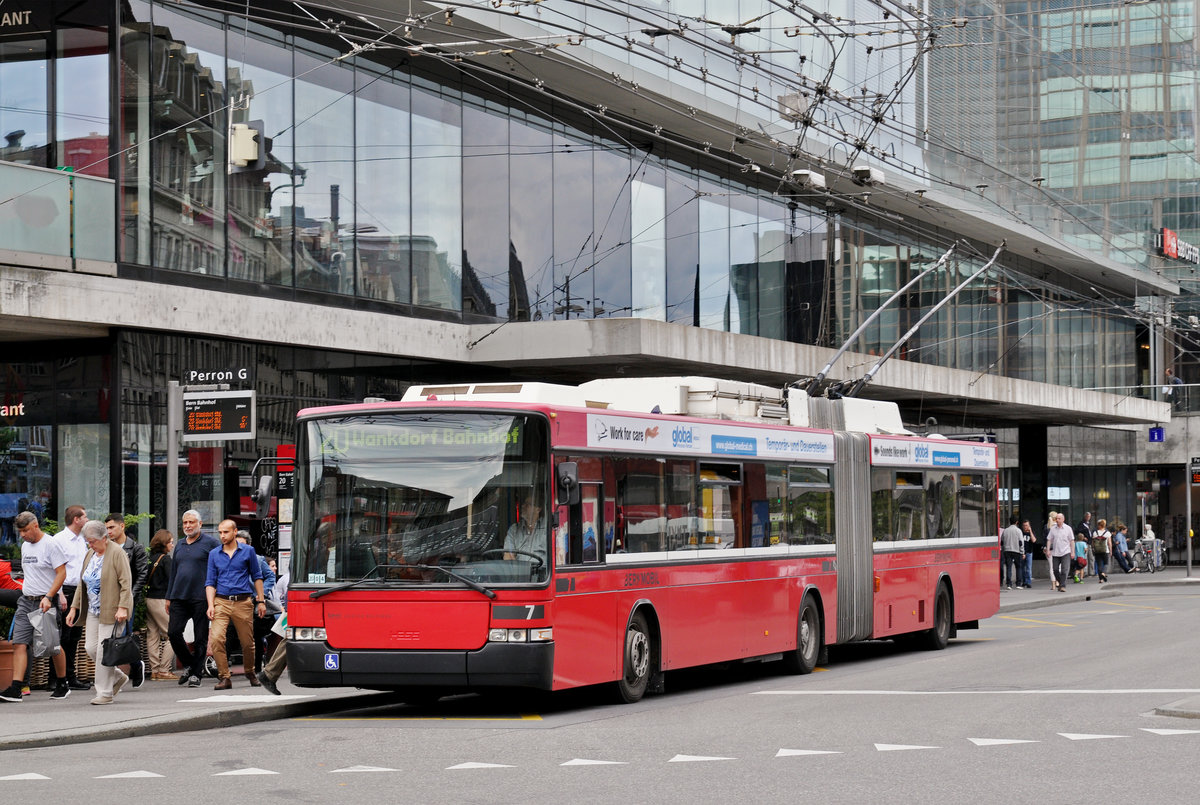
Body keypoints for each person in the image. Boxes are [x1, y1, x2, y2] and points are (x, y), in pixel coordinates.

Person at [0, 512, 72, 702]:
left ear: (35, 526)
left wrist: (50, 596)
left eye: (25, 530)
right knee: (19, 643)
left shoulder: (51, 544)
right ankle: (16, 688)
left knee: (52, 645)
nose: (22, 535)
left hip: (45, 601)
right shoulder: (25, 546)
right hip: (26, 599)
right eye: (20, 531)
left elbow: (61, 573)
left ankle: (63, 683)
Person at [65, 520, 134, 705]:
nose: (90, 544)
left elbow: (126, 583)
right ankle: (117, 676)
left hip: (112, 610)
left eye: (93, 541)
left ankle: (105, 693)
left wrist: (123, 607)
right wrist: (74, 607)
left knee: (104, 651)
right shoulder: (90, 554)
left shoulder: (117, 553)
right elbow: (82, 583)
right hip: (93, 610)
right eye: (88, 541)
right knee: (91, 648)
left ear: (104, 538)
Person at [205, 519, 266, 689]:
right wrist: (210, 605)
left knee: (247, 642)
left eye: (225, 532)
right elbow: (210, 582)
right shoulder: (214, 554)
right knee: (217, 639)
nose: (222, 536)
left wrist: (261, 601)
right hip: (221, 601)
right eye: (220, 532)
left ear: (234, 532)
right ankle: (224, 676)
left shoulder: (248, 551)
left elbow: (257, 576)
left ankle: (250, 671)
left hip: (243, 601)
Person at [166, 510, 219, 688]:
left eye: (191, 522)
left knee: (200, 637)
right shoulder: (180, 545)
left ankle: (196, 674)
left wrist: (215, 595)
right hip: (179, 596)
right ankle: (189, 664)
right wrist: (169, 597)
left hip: (201, 597)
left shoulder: (211, 543)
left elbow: (219, 568)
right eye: (185, 523)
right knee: (173, 632)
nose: (187, 526)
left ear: (200, 524)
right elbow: (174, 572)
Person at [105, 513, 148, 688]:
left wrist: (129, 595)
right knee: (112, 636)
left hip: (128, 599)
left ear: (122, 526)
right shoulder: (106, 547)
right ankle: (125, 670)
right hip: (108, 598)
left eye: (112, 527)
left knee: (123, 635)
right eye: (106, 528)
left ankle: (135, 666)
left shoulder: (135, 548)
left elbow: (142, 574)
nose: (109, 531)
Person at [52, 505, 91, 691]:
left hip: (79, 590)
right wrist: (58, 593)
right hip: (65, 589)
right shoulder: (59, 540)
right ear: (76, 519)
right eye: (85, 517)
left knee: (75, 635)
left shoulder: (82, 540)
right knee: (62, 635)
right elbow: (53, 569)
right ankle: (57, 677)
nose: (87, 520)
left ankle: (70, 675)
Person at [235, 530, 275, 674]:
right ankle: (225, 671)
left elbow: (270, 577)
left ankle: (256, 668)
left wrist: (261, 595)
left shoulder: (257, 559)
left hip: (252, 601)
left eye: (242, 544)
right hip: (234, 602)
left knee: (255, 636)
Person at [144, 529, 177, 680]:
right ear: (164, 543)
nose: (172, 544)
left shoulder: (150, 559)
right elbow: (172, 581)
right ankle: (164, 670)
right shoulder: (166, 560)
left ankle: (155, 671)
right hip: (160, 600)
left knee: (152, 635)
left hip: (148, 599)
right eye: (170, 541)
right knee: (174, 634)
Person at [504, 493, 547, 563]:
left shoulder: (548, 527)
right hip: (520, 572)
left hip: (543, 572)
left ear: (538, 509)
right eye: (524, 504)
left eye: (527, 504)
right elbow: (508, 556)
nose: (523, 506)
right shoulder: (514, 529)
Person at [1046, 512, 1074, 592]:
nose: (1057, 520)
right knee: (1055, 570)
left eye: (1059, 519)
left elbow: (1072, 541)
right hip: (1055, 552)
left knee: (1064, 570)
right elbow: (1049, 540)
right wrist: (1048, 550)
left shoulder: (1068, 528)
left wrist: (1073, 552)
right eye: (1056, 519)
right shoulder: (1053, 528)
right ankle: (1061, 582)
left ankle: (1062, 586)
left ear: (1063, 519)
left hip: (1066, 552)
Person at [1000, 515, 1023, 590]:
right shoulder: (1018, 530)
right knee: (1018, 567)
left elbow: (1002, 541)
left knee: (1008, 567)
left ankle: (1009, 584)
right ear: (1017, 522)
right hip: (1016, 550)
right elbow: (1021, 542)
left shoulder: (1005, 530)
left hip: (1007, 551)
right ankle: (1018, 584)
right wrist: (1022, 551)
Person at [1091, 518, 1111, 583]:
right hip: (1105, 551)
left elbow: (1093, 542)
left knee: (1099, 564)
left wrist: (1093, 549)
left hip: (1097, 551)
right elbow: (1109, 543)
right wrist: (1111, 551)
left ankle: (1101, 579)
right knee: (1106, 563)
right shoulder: (1107, 533)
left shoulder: (1095, 533)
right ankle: (1103, 573)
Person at [1020, 519, 1037, 588]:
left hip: (1029, 552)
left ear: (1029, 526)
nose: (1025, 527)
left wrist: (1030, 531)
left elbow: (1034, 540)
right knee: (1022, 568)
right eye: (1024, 525)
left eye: (1026, 525)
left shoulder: (1031, 533)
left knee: (1028, 568)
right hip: (1022, 552)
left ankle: (1028, 582)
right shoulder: (1021, 533)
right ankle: (1024, 581)